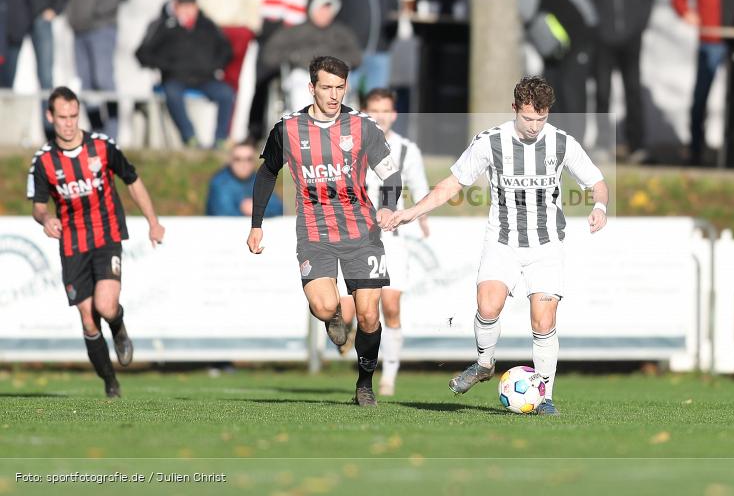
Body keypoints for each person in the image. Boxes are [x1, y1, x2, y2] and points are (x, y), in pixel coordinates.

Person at [385, 76, 609, 415]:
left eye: (542, 118)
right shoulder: (490, 142)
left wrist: (600, 207)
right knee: (488, 308)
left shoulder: (563, 143)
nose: (535, 126)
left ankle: (545, 397)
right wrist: (412, 212)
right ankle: (485, 364)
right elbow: (453, 184)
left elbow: (597, 182)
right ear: (515, 109)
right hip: (502, 241)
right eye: (529, 118)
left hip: (546, 245)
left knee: (543, 320)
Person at [247, 55, 402, 407]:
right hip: (315, 234)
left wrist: (389, 205)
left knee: (367, 315)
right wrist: (256, 224)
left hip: (362, 234)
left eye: (340, 88)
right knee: (322, 306)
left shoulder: (362, 126)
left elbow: (391, 174)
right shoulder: (287, 128)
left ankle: (364, 384)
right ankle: (333, 317)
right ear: (311, 87)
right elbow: (268, 173)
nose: (334, 95)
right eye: (327, 87)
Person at [27, 87, 165, 397]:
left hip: (107, 235)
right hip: (72, 245)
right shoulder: (44, 161)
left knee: (105, 306)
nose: (69, 123)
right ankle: (110, 382)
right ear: (50, 117)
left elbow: (132, 179)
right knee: (89, 320)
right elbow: (37, 205)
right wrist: (45, 218)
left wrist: (153, 222)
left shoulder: (102, 146)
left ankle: (118, 327)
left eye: (73, 116)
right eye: (62, 117)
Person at [360, 88, 430, 396]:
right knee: (356, 310)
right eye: (374, 110)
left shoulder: (405, 150)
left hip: (393, 236)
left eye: (385, 110)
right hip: (357, 236)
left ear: (394, 114)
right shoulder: (353, 145)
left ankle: (388, 375)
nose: (380, 116)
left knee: (390, 304)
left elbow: (419, 188)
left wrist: (423, 218)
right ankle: (359, 354)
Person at [573, 0, 654, 162]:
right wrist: (590, 29)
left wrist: (638, 24)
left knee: (632, 90)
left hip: (630, 39)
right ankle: (603, 143)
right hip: (601, 40)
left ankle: (637, 144)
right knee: (602, 92)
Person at [514, 0, 596, 143]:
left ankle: (576, 146)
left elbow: (525, 9)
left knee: (571, 89)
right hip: (555, 45)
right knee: (552, 91)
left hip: (574, 36)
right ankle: (556, 142)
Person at [135, 0, 234, 149]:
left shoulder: (207, 25)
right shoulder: (163, 25)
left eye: (191, 6)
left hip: (205, 78)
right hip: (175, 78)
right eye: (184, 6)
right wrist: (166, 66)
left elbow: (226, 49)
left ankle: (220, 139)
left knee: (226, 93)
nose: (188, 11)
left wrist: (214, 66)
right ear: (176, 6)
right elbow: (143, 53)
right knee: (172, 93)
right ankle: (190, 138)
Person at [248, 0, 316, 141]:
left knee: (296, 82)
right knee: (261, 82)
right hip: (269, 32)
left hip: (296, 34)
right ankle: (254, 130)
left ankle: (295, 132)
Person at [671, 0, 731, 166]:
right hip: (709, 41)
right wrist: (687, 13)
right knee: (700, 98)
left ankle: (729, 149)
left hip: (733, 40)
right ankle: (697, 148)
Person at [67, 0, 128, 137]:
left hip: (102, 28)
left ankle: (113, 132)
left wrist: (98, 11)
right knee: (87, 84)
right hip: (79, 30)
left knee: (104, 80)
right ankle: (97, 131)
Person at [260, 0, 361, 110]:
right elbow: (269, 55)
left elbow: (356, 57)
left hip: (333, 77)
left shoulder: (342, 33)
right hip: (302, 75)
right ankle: (303, 126)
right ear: (312, 8)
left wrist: (335, 61)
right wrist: (295, 56)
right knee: (300, 89)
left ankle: (333, 127)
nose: (325, 13)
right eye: (321, 8)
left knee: (337, 89)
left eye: (328, 9)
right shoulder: (294, 32)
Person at [206, 140, 282, 217]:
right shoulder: (219, 183)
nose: (243, 164)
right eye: (238, 159)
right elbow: (224, 214)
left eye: (248, 159)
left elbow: (278, 208)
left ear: (254, 161)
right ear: (230, 161)